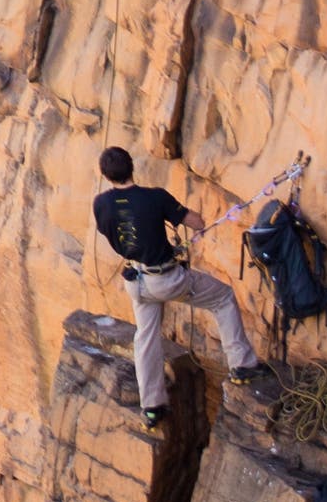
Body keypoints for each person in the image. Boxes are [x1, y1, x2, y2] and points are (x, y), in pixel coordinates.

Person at [94, 144, 264, 431]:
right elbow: (196, 223)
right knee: (222, 298)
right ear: (131, 166)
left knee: (145, 337)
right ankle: (243, 364)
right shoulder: (155, 198)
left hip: (136, 281)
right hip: (165, 279)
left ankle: (152, 406)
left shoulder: (101, 203)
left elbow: (114, 227)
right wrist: (185, 214)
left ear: (106, 175)